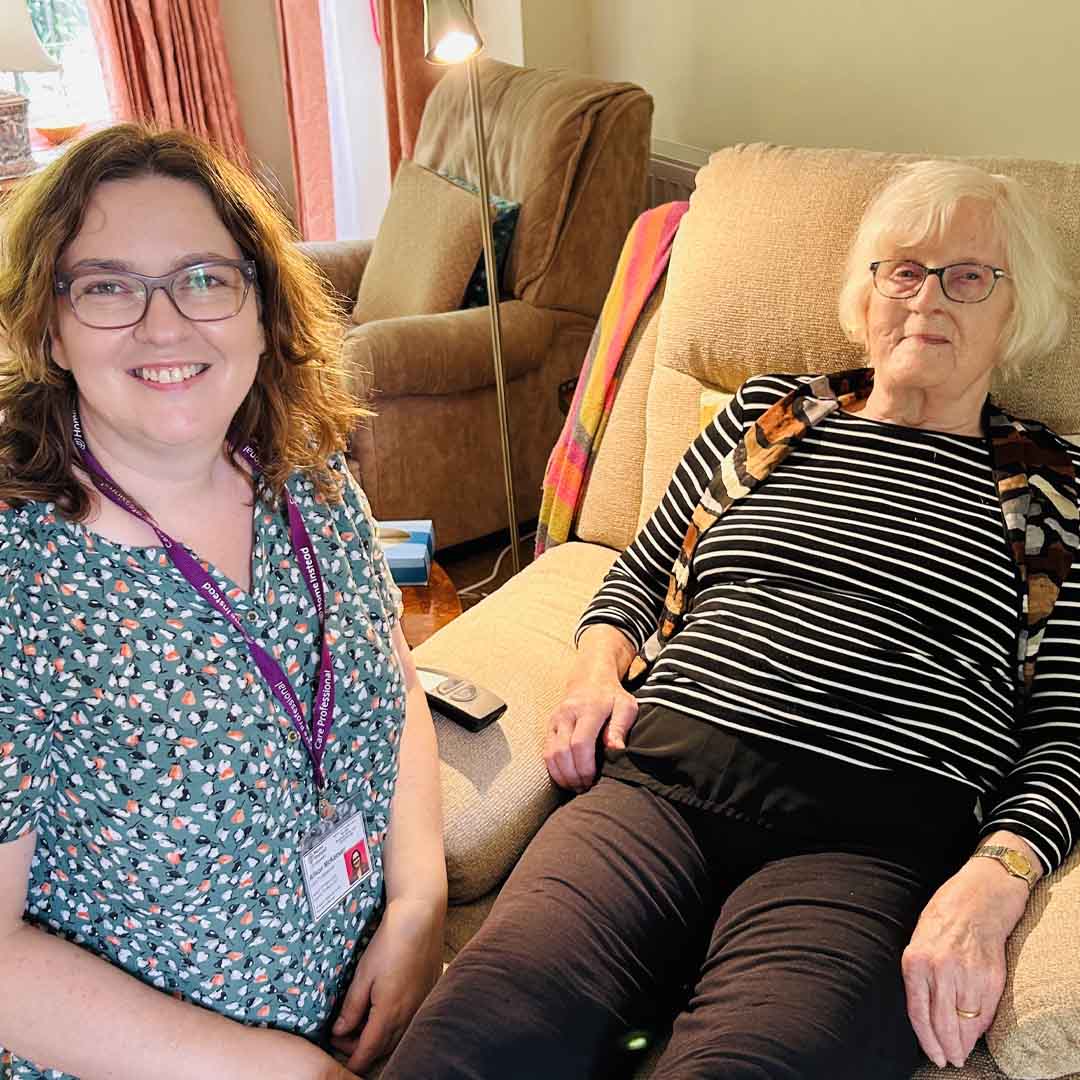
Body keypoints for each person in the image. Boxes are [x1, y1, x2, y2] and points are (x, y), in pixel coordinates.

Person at [381, 160, 1080, 1080]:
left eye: (967, 276)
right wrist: (595, 675)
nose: (926, 300)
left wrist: (998, 877)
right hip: (656, 791)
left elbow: (1064, 728)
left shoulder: (1052, 489)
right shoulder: (769, 415)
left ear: (1015, 311)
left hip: (866, 852)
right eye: (903, 270)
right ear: (866, 293)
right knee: (474, 1036)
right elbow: (631, 574)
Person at [0, 124, 446, 1080]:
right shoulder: (20, 582)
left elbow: (393, 679)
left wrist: (419, 899)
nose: (165, 325)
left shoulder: (314, 481)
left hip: (365, 1006)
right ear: (49, 324)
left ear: (259, 305)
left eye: (204, 277)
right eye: (109, 285)